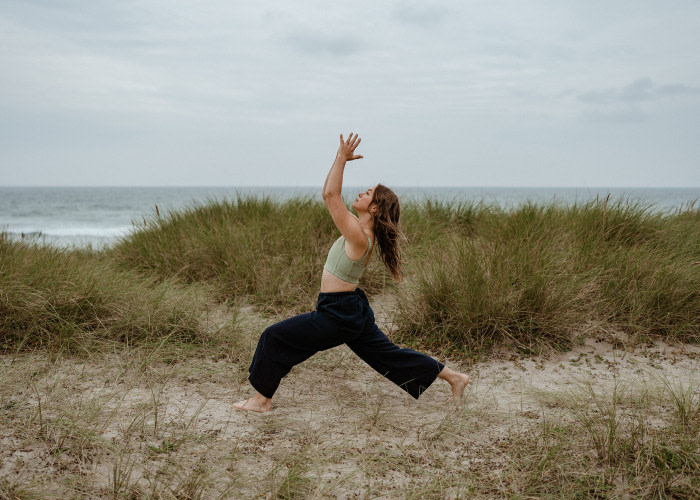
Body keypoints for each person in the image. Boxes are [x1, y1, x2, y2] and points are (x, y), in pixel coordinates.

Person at [233, 133, 469, 413]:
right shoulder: (360, 230)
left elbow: (329, 195)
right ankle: (455, 377)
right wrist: (339, 159)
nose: (360, 193)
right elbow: (328, 193)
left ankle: (261, 401)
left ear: (375, 207)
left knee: (274, 337)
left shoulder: (359, 235)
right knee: (388, 355)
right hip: (349, 308)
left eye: (367, 193)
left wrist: (341, 159)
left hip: (338, 314)